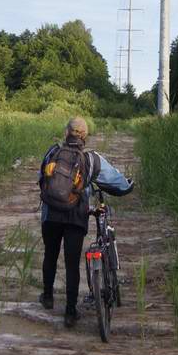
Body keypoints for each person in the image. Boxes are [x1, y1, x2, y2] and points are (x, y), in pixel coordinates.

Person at [38, 117, 133, 328]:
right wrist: (128, 185)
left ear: (66, 133)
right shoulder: (91, 160)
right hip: (75, 216)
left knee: (50, 255)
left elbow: (41, 180)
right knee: (72, 264)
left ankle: (47, 297)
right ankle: (70, 313)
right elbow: (119, 184)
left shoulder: (52, 153)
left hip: (51, 214)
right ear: (85, 137)